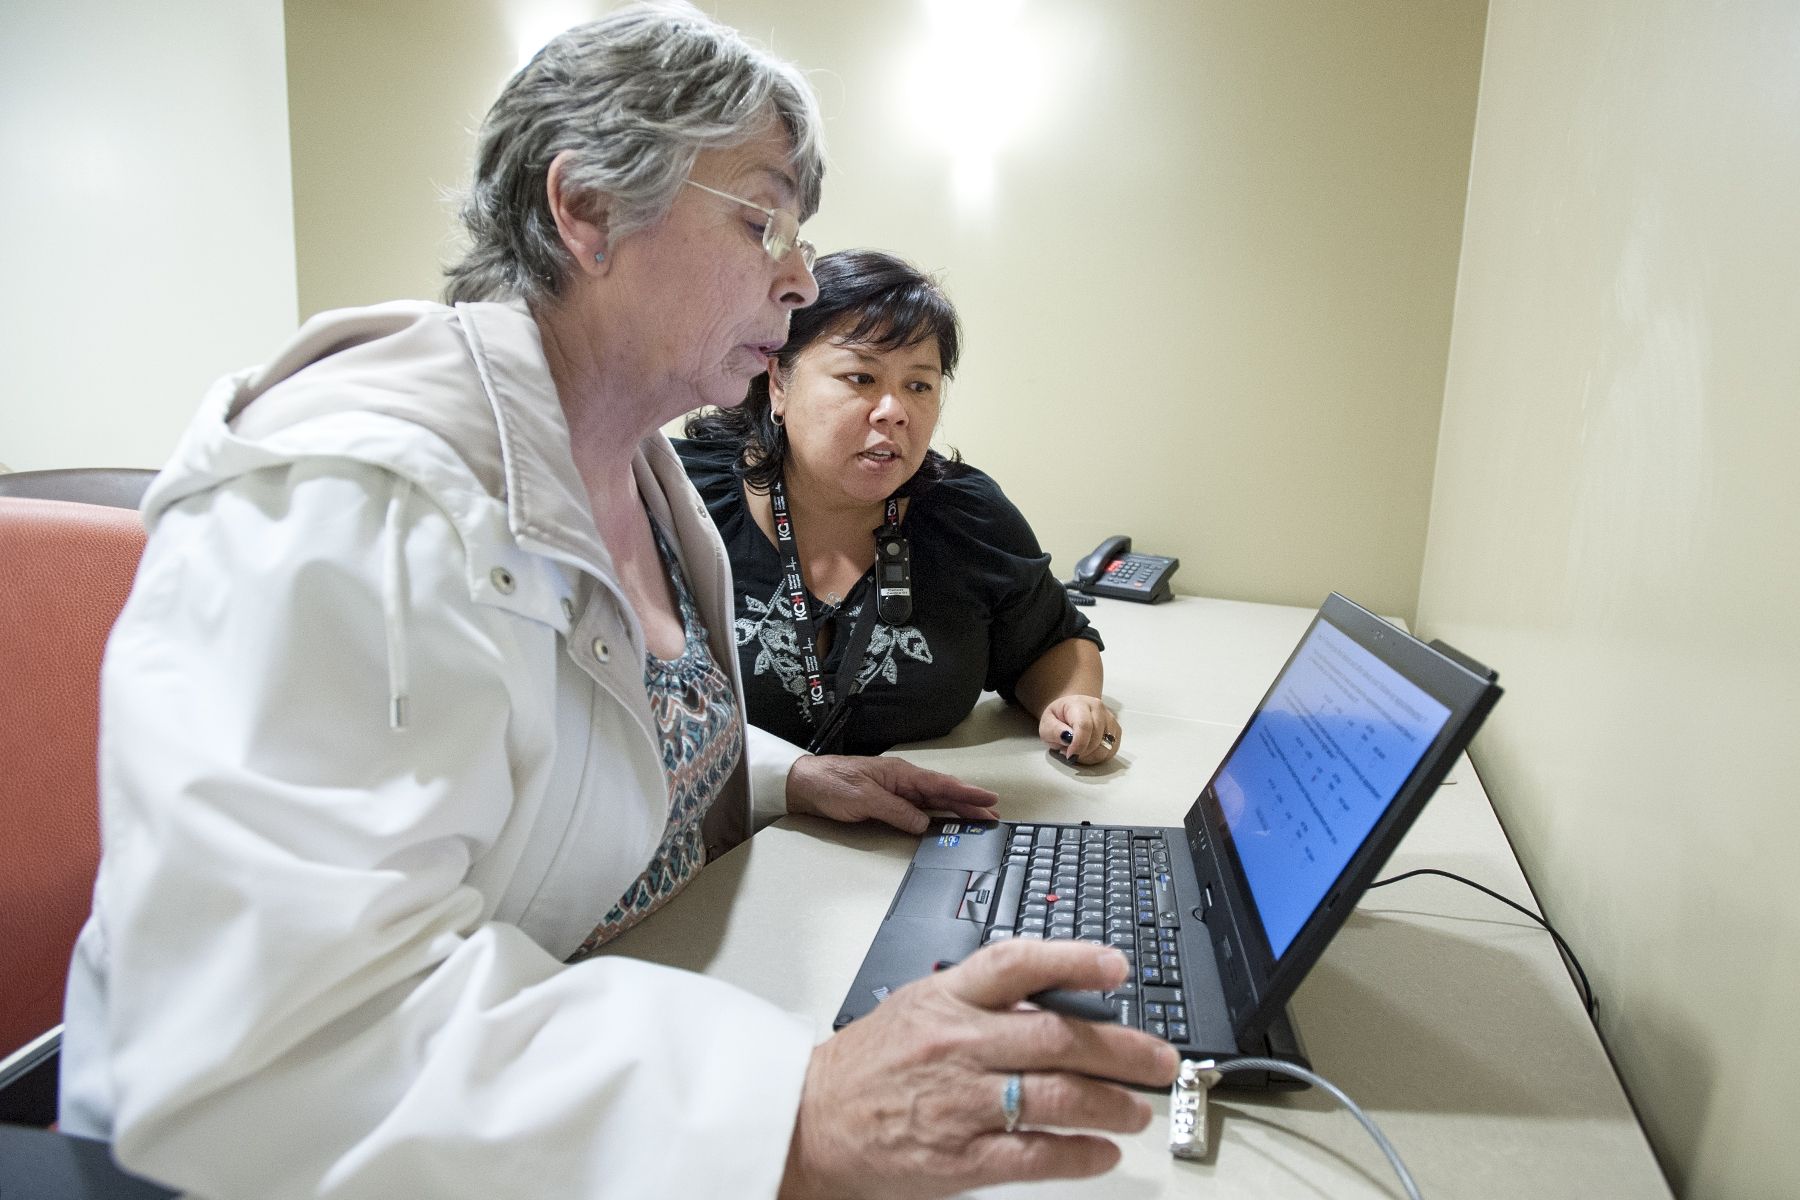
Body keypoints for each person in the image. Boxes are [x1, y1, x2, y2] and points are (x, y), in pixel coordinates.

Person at [58, 5, 1176, 1199]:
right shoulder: (350, 507)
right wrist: (792, 1112)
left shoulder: (628, 468)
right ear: (587, 208)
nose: (800, 278)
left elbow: (591, 728)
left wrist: (789, 777)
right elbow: (276, 1053)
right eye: (764, 221)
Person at [680, 249, 1124, 768]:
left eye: (918, 385)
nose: (893, 412)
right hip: (725, 818)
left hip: (919, 816)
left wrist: (1072, 703)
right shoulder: (678, 497)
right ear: (779, 380)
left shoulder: (968, 517)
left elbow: (1051, 643)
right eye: (860, 378)